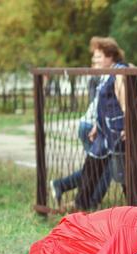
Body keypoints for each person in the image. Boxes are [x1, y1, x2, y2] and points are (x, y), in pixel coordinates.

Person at [50, 37, 128, 210]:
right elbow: (105, 104)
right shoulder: (107, 74)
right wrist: (96, 126)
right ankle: (81, 204)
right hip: (103, 131)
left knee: (123, 175)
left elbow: (124, 102)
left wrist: (127, 127)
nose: (94, 60)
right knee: (91, 167)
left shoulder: (119, 72)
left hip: (116, 132)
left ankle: (136, 208)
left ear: (110, 56)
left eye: (98, 56)